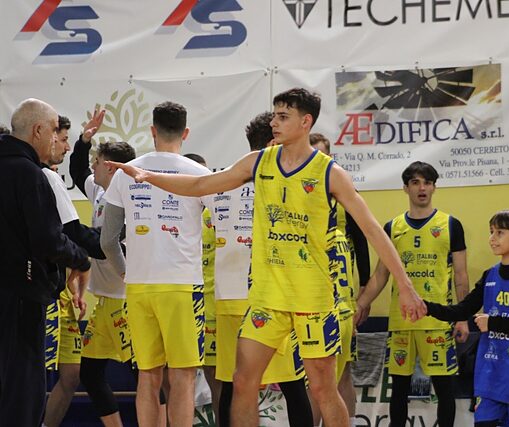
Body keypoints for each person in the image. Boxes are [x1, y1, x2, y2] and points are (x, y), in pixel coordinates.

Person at [107, 88, 426, 427]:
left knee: (322, 387)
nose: (274, 122)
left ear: (305, 122)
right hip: (266, 297)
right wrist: (148, 177)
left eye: (283, 116)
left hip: (312, 297)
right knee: (243, 381)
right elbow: (202, 185)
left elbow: (373, 230)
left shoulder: (330, 173)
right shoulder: (258, 162)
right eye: (274, 115)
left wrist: (406, 287)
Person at [100, 101, 214, 427]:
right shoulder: (199, 173)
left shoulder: (126, 172)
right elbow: (221, 225)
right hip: (182, 286)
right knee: (183, 377)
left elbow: (107, 241)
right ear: (185, 133)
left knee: (148, 377)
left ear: (152, 130)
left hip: (139, 287)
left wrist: (127, 272)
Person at [209, 112, 313, 427]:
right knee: (293, 384)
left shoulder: (221, 182)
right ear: (271, 143)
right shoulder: (284, 184)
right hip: (271, 299)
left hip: (229, 298)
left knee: (232, 384)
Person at [355, 161, 469, 427]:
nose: (422, 188)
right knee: (399, 389)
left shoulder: (451, 225)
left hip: (437, 321)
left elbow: (461, 276)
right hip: (402, 321)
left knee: (444, 388)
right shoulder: (392, 227)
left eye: (427, 182)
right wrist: (360, 305)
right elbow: (380, 275)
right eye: (415, 182)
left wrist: (462, 317)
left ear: (434, 187)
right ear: (405, 188)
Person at [0, 98, 90, 427]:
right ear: (37, 130)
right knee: (22, 390)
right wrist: (80, 258)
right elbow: (48, 239)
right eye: (54, 131)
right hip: (20, 297)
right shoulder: (29, 174)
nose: (56, 139)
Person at [425, 209, 509, 427]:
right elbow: (462, 310)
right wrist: (426, 307)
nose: (492, 238)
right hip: (491, 374)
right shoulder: (490, 275)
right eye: (491, 231)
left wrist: (492, 323)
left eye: (500, 232)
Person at [69, 108, 145, 427]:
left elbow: (104, 245)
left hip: (126, 303)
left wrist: (67, 230)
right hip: (104, 303)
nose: (92, 166)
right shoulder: (100, 189)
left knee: (144, 376)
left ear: (111, 167)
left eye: (97, 161)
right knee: (90, 373)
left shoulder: (133, 200)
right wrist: (84, 140)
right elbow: (76, 171)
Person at [42, 114, 107, 427]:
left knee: (73, 374)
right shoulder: (42, 177)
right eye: (64, 139)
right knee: (32, 374)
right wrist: (115, 247)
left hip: (67, 295)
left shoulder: (54, 177)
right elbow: (71, 234)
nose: (66, 147)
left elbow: (68, 237)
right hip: (43, 294)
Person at [309, 132, 370, 427]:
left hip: (342, 297)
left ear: (331, 158)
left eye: (322, 155)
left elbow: (362, 241)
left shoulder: (344, 190)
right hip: (309, 296)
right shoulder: (296, 191)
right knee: (313, 373)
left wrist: (365, 292)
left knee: (343, 370)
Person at [183, 152, 223, 424]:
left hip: (217, 306)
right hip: (183, 302)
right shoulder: (175, 212)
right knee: (178, 375)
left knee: (220, 376)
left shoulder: (218, 210)